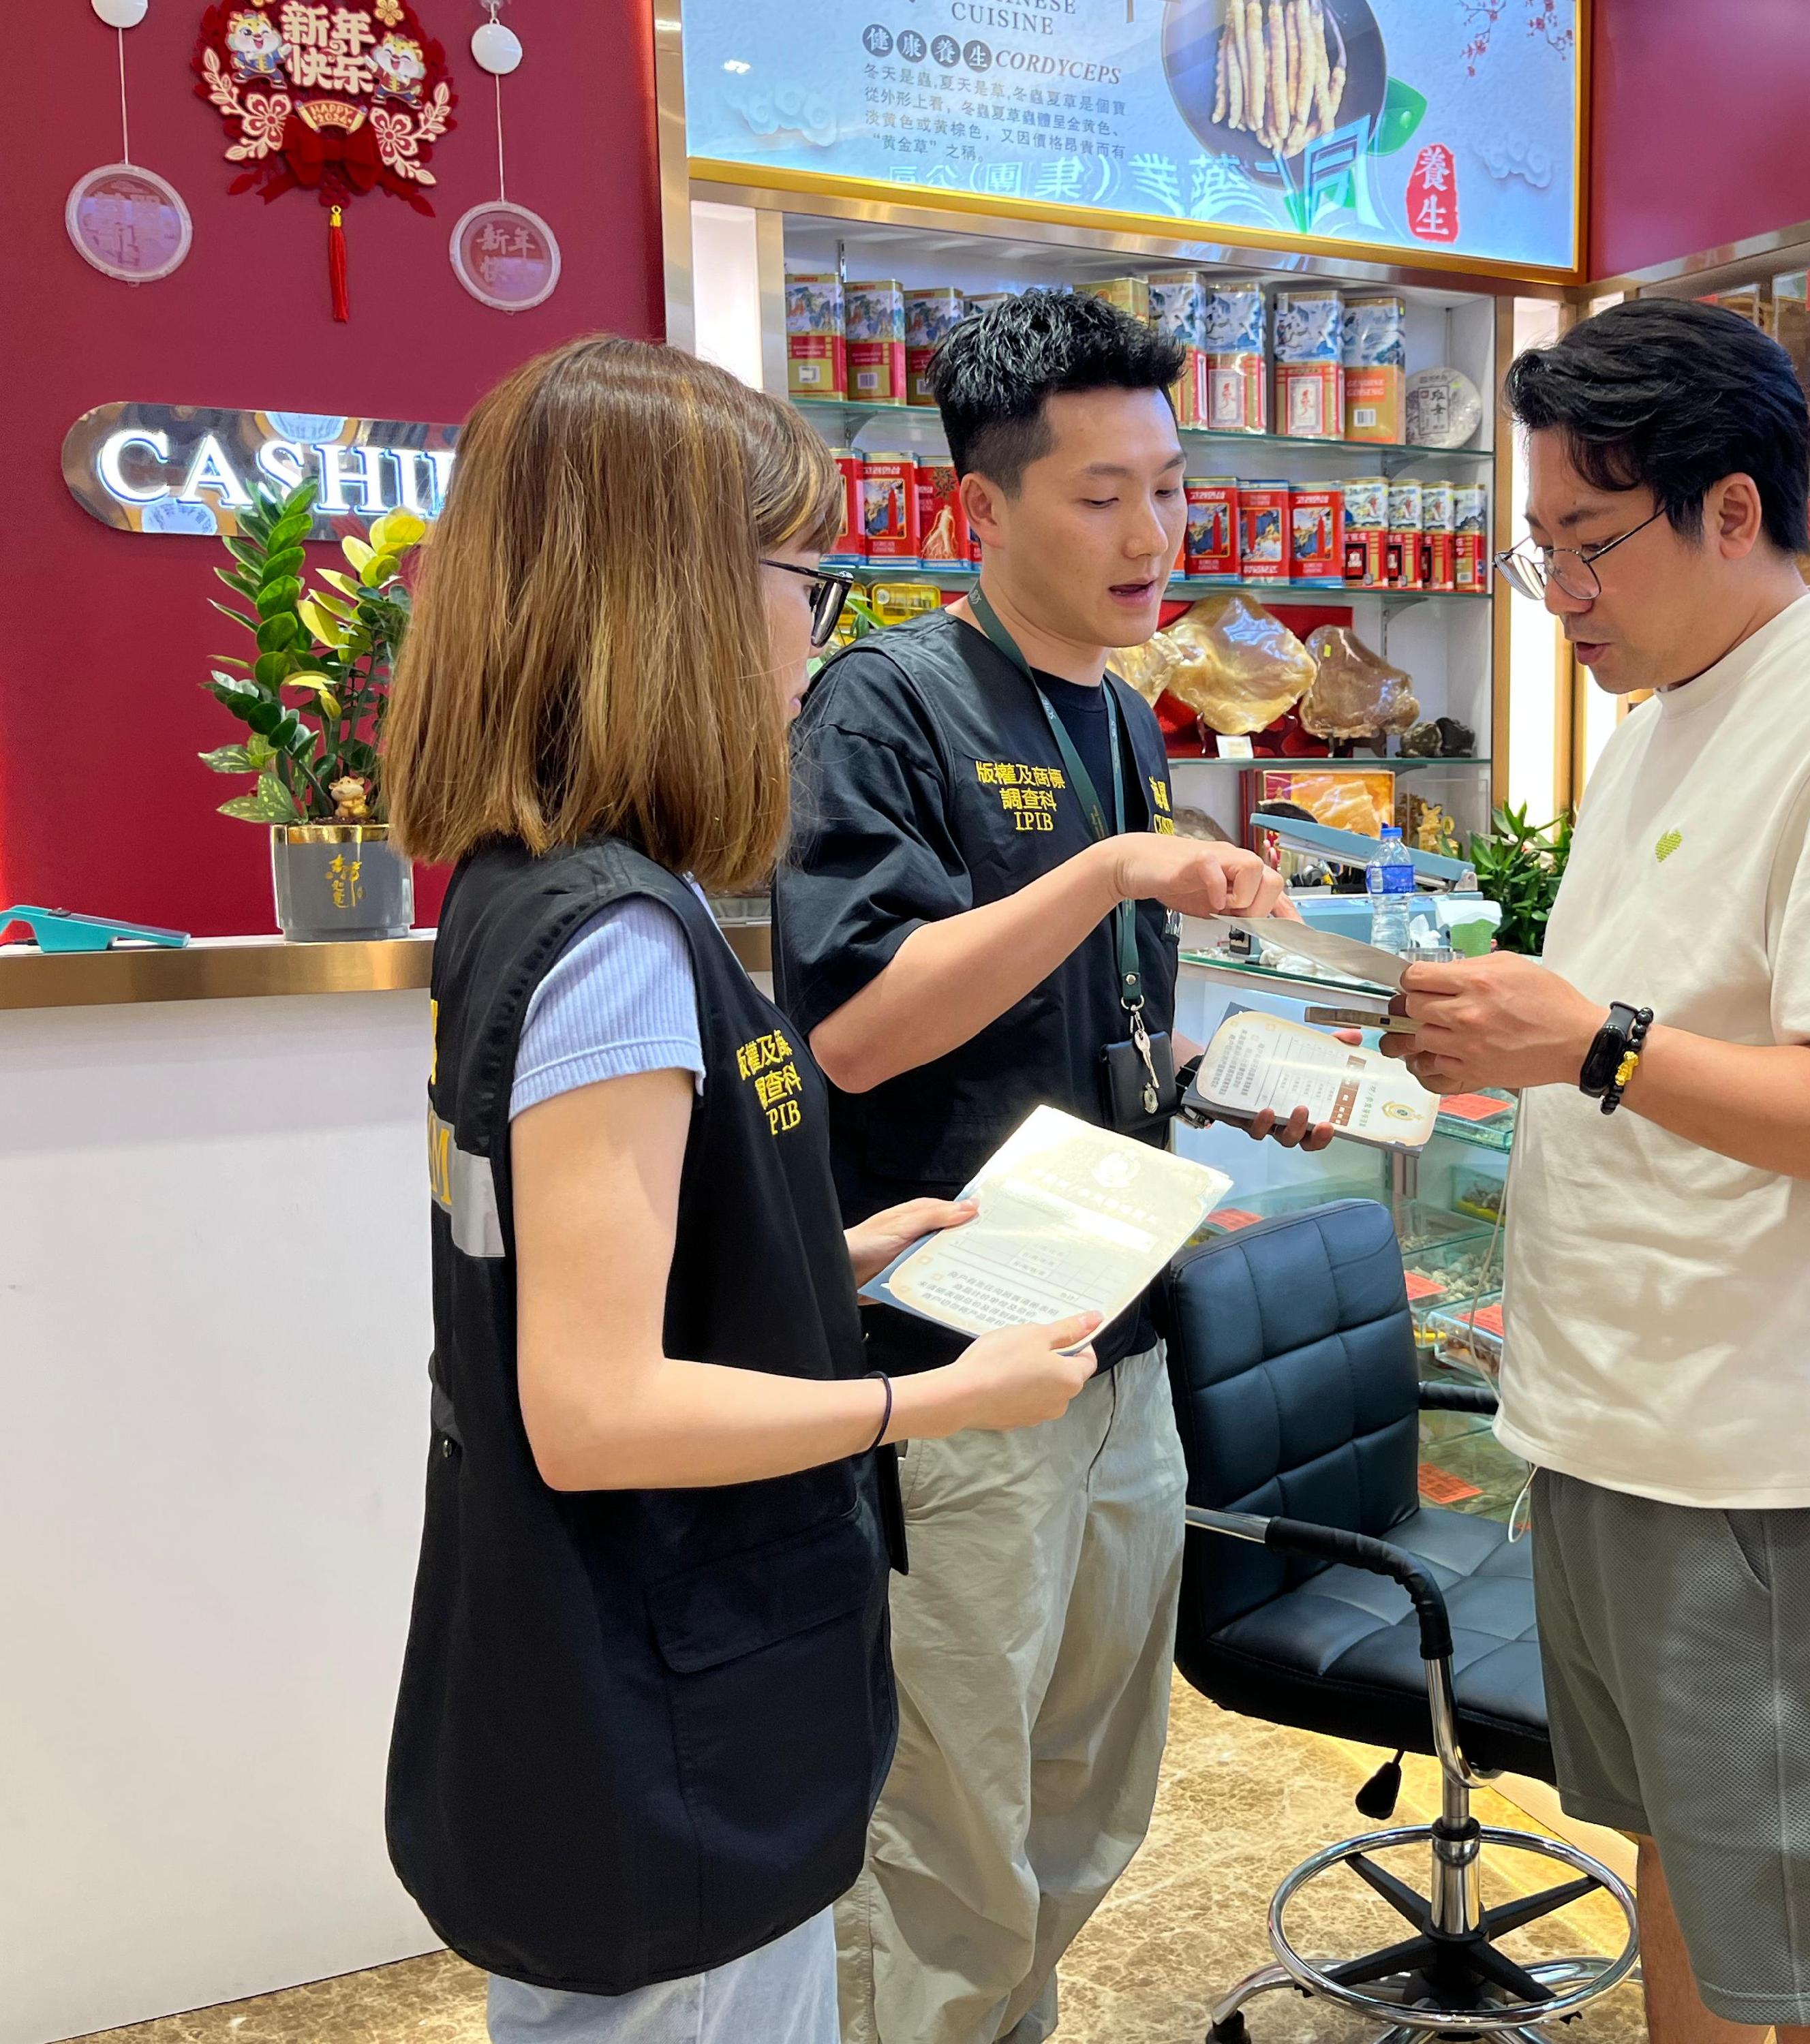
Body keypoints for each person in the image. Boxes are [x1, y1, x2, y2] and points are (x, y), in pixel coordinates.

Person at [382, 335, 1102, 2044]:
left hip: (615, 1678)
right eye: (807, 582)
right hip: (662, 1706)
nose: (817, 633)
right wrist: (922, 1402)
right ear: (680, 598)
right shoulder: (617, 944)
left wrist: (837, 1247)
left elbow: (614, 1266)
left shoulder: (543, 888)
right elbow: (597, 1406)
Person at [1390, 298, 1810, 2044]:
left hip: (1764, 1451)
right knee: (1686, 1859)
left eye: (1588, 545)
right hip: (1617, 1416)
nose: (1564, 595)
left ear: (1729, 512)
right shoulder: (1661, 715)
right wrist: (1502, 1047)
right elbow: (1644, 1052)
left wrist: (1588, 1041)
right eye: (1540, 554)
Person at [771, 288, 1320, 2044]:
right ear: (978, 506)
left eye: (1167, 484)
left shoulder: (1118, 715)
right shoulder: (885, 707)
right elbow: (854, 1032)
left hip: (1116, 1331)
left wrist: (1219, 1078)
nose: (1152, 535)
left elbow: (1068, 1036)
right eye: (1100, 495)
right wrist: (1107, 875)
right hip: (947, 1353)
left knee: (1091, 1779)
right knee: (946, 1807)